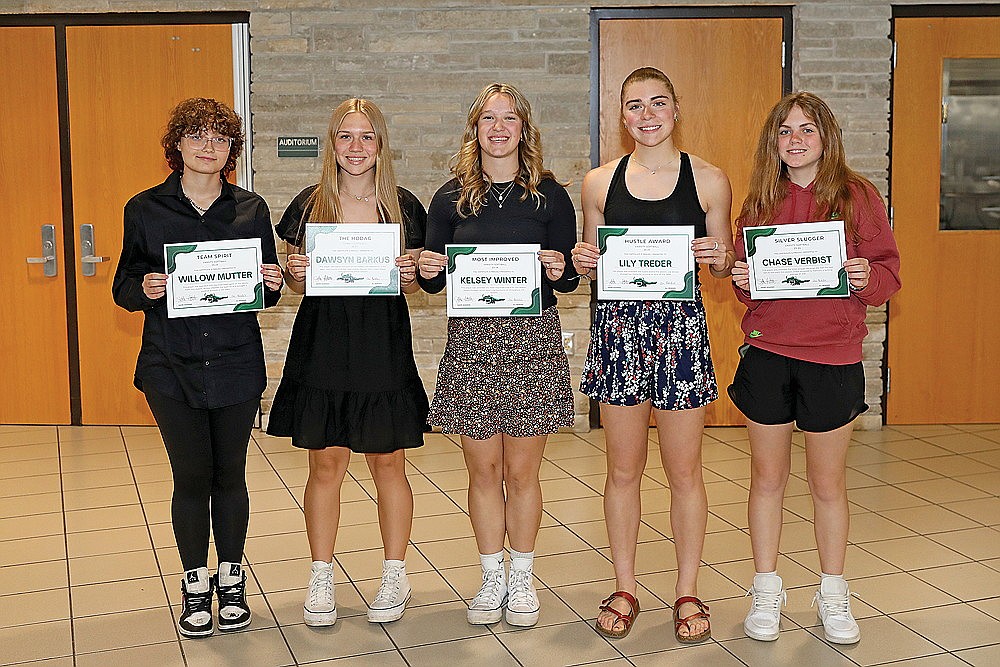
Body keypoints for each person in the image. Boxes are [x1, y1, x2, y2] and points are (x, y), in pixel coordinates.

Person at [729, 92, 900, 645]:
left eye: (807, 129)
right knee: (767, 480)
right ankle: (766, 589)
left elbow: (889, 278)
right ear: (772, 141)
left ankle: (832, 592)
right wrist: (743, 281)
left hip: (833, 357)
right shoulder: (759, 202)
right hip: (769, 353)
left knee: (828, 486)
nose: (795, 140)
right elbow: (743, 274)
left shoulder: (858, 197)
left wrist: (863, 277)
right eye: (784, 130)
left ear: (826, 137)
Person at [570, 67, 734, 643]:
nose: (646, 115)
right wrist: (583, 261)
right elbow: (587, 260)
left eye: (657, 103)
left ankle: (687, 589)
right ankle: (625, 586)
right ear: (621, 115)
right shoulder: (596, 183)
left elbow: (723, 265)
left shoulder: (710, 181)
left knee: (685, 471)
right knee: (622, 471)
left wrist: (717, 254)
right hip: (617, 335)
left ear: (676, 107)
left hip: (681, 337)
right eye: (634, 105)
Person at [112, 98, 284, 638]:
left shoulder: (251, 209)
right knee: (191, 476)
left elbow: (264, 287)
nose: (209, 146)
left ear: (231, 149)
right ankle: (194, 582)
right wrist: (144, 288)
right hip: (170, 366)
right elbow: (122, 285)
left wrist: (272, 283)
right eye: (197, 136)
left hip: (235, 364)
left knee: (229, 472)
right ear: (178, 146)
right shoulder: (144, 209)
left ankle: (231, 581)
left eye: (220, 138)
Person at [417, 82, 576, 628]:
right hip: (472, 345)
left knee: (523, 471)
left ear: (524, 130)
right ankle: (491, 575)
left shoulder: (550, 197)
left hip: (532, 344)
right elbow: (433, 282)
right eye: (489, 119)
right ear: (475, 130)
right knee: (482, 469)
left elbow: (569, 276)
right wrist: (427, 269)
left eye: (510, 119)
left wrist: (562, 268)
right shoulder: (450, 198)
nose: (499, 128)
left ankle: (524, 577)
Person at [266, 98, 428, 627]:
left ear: (381, 144)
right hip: (325, 344)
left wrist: (411, 274)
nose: (356, 147)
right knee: (326, 464)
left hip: (382, 345)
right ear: (331, 144)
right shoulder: (308, 206)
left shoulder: (404, 207)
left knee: (388, 464)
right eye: (344, 136)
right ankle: (320, 577)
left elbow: (423, 278)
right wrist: (294, 270)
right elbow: (291, 278)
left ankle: (395, 575)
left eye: (367, 136)